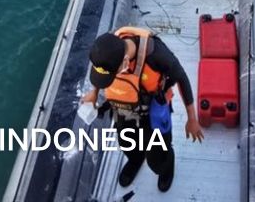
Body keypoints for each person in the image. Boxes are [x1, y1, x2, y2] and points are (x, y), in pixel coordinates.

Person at [83, 27, 204, 193]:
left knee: (156, 157)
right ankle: (136, 159)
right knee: (127, 144)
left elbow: (181, 77)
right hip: (123, 109)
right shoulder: (107, 50)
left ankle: (166, 167)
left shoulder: (156, 54)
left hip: (151, 112)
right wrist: (94, 93)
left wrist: (192, 118)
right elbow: (102, 70)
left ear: (125, 62)